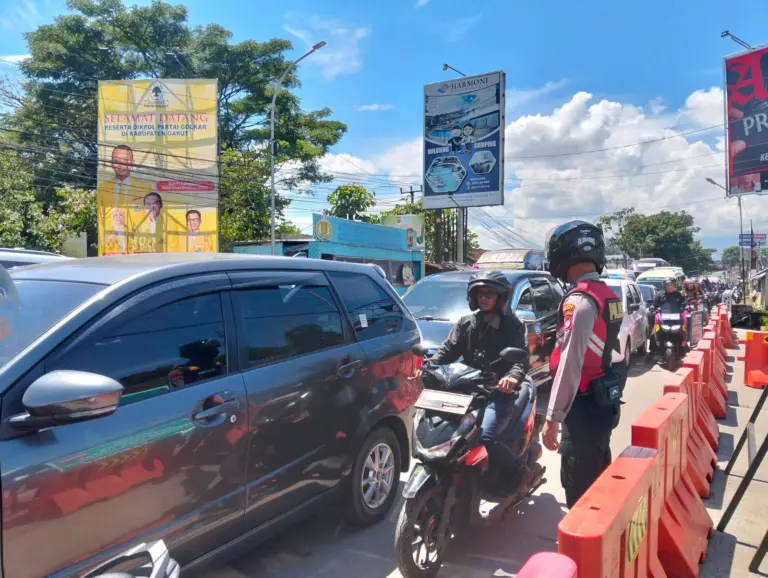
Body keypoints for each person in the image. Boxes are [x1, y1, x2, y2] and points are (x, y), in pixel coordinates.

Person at [417, 270, 530, 490]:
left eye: (489, 294)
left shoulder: (513, 326)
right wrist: (428, 366)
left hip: (497, 390)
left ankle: (517, 470)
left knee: (487, 435)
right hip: (467, 387)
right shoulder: (466, 324)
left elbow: (521, 359)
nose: (484, 298)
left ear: (500, 297)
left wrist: (511, 378)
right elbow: (447, 350)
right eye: (480, 294)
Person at [541, 220, 627, 508]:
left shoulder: (579, 301)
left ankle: (582, 549)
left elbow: (570, 363)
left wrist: (553, 417)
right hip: (604, 401)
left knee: (578, 489)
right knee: (598, 473)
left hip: (583, 407)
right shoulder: (609, 295)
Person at [97, 145, 153, 255]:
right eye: (117, 161)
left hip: (137, 248)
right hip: (111, 249)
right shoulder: (103, 189)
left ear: (132, 163)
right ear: (111, 163)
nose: (121, 165)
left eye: (125, 160)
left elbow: (149, 220)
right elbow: (101, 222)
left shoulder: (145, 188)